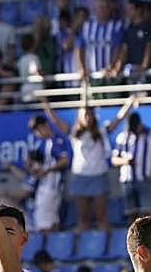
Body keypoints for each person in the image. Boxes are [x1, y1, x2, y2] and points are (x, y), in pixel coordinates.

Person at [42, 94, 136, 231]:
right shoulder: (73, 132)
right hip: (80, 177)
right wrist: (46, 105)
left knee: (101, 219)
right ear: (79, 117)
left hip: (99, 175)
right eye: (84, 115)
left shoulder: (102, 131)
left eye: (89, 115)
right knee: (83, 220)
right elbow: (56, 121)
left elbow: (119, 118)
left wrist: (129, 103)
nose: (87, 117)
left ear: (93, 116)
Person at [112, 108, 151, 219]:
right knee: (132, 215)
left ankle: (150, 236)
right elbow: (114, 159)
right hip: (127, 180)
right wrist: (125, 161)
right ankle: (133, 237)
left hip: (145, 179)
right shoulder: (123, 137)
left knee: (149, 214)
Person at [25, 115, 69, 232]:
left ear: (44, 126)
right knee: (52, 220)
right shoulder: (43, 144)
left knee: (44, 223)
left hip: (51, 186)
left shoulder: (57, 141)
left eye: (37, 130)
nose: (37, 133)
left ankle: (47, 247)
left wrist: (47, 170)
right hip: (46, 185)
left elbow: (65, 160)